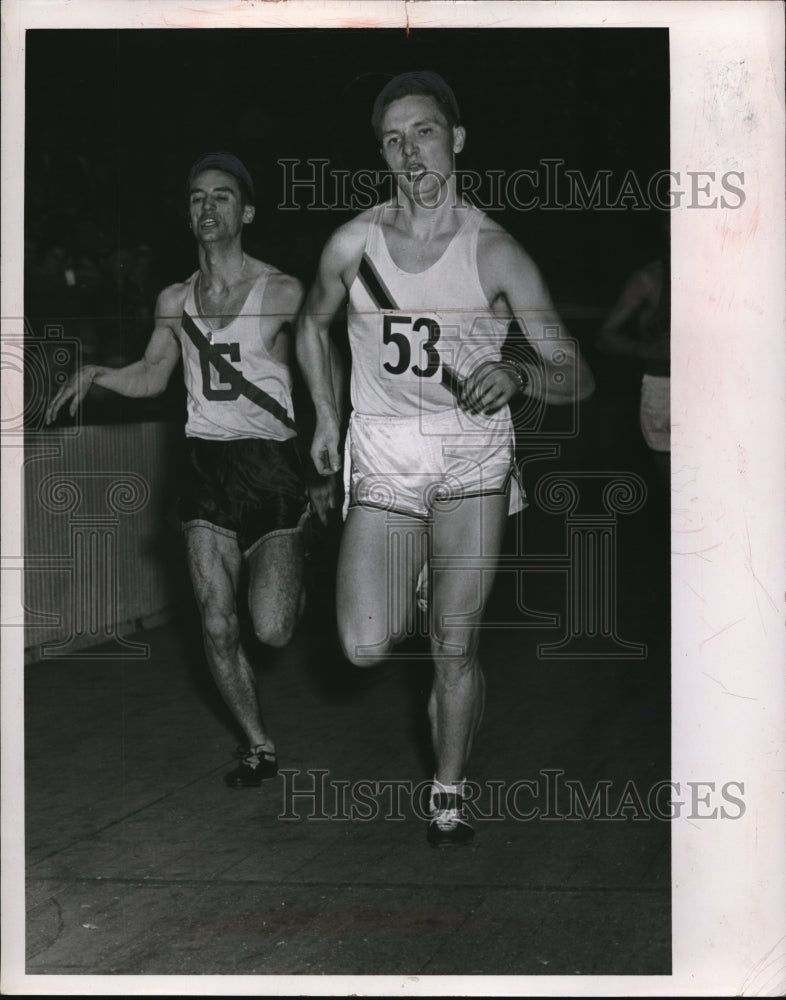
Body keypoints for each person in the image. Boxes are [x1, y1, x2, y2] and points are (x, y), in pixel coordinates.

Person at [296, 72, 595, 847]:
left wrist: (523, 374)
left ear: (456, 139)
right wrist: (327, 415)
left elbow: (577, 373)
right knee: (364, 643)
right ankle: (422, 574)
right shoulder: (351, 244)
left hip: (470, 465)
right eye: (392, 139)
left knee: (454, 645)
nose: (409, 151)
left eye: (424, 131)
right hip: (388, 459)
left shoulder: (494, 252)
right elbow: (307, 326)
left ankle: (449, 791)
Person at [46, 152, 339, 788]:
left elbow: (324, 360)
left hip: (272, 466)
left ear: (248, 212)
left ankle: (298, 568)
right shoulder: (175, 300)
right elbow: (154, 374)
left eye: (223, 197)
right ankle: (257, 743)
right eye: (198, 198)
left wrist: (328, 438)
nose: (208, 207)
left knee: (273, 626)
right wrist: (99, 372)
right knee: (214, 619)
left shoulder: (283, 290)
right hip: (207, 464)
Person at [595, 222, 670, 486]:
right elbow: (604, 336)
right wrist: (649, 349)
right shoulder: (650, 278)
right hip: (665, 389)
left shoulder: (722, 272)